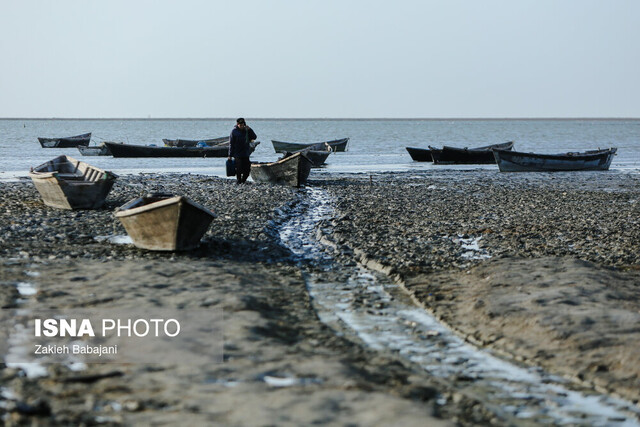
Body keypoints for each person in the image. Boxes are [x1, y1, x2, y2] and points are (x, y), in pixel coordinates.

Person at [228, 118, 257, 184]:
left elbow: (254, 137)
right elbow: (231, 144)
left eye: (242, 125)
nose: (241, 126)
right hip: (237, 153)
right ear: (237, 124)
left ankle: (243, 180)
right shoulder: (234, 132)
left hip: (246, 153)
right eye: (240, 125)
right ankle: (238, 180)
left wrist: (250, 129)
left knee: (247, 169)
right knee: (239, 167)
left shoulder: (247, 131)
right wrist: (230, 155)